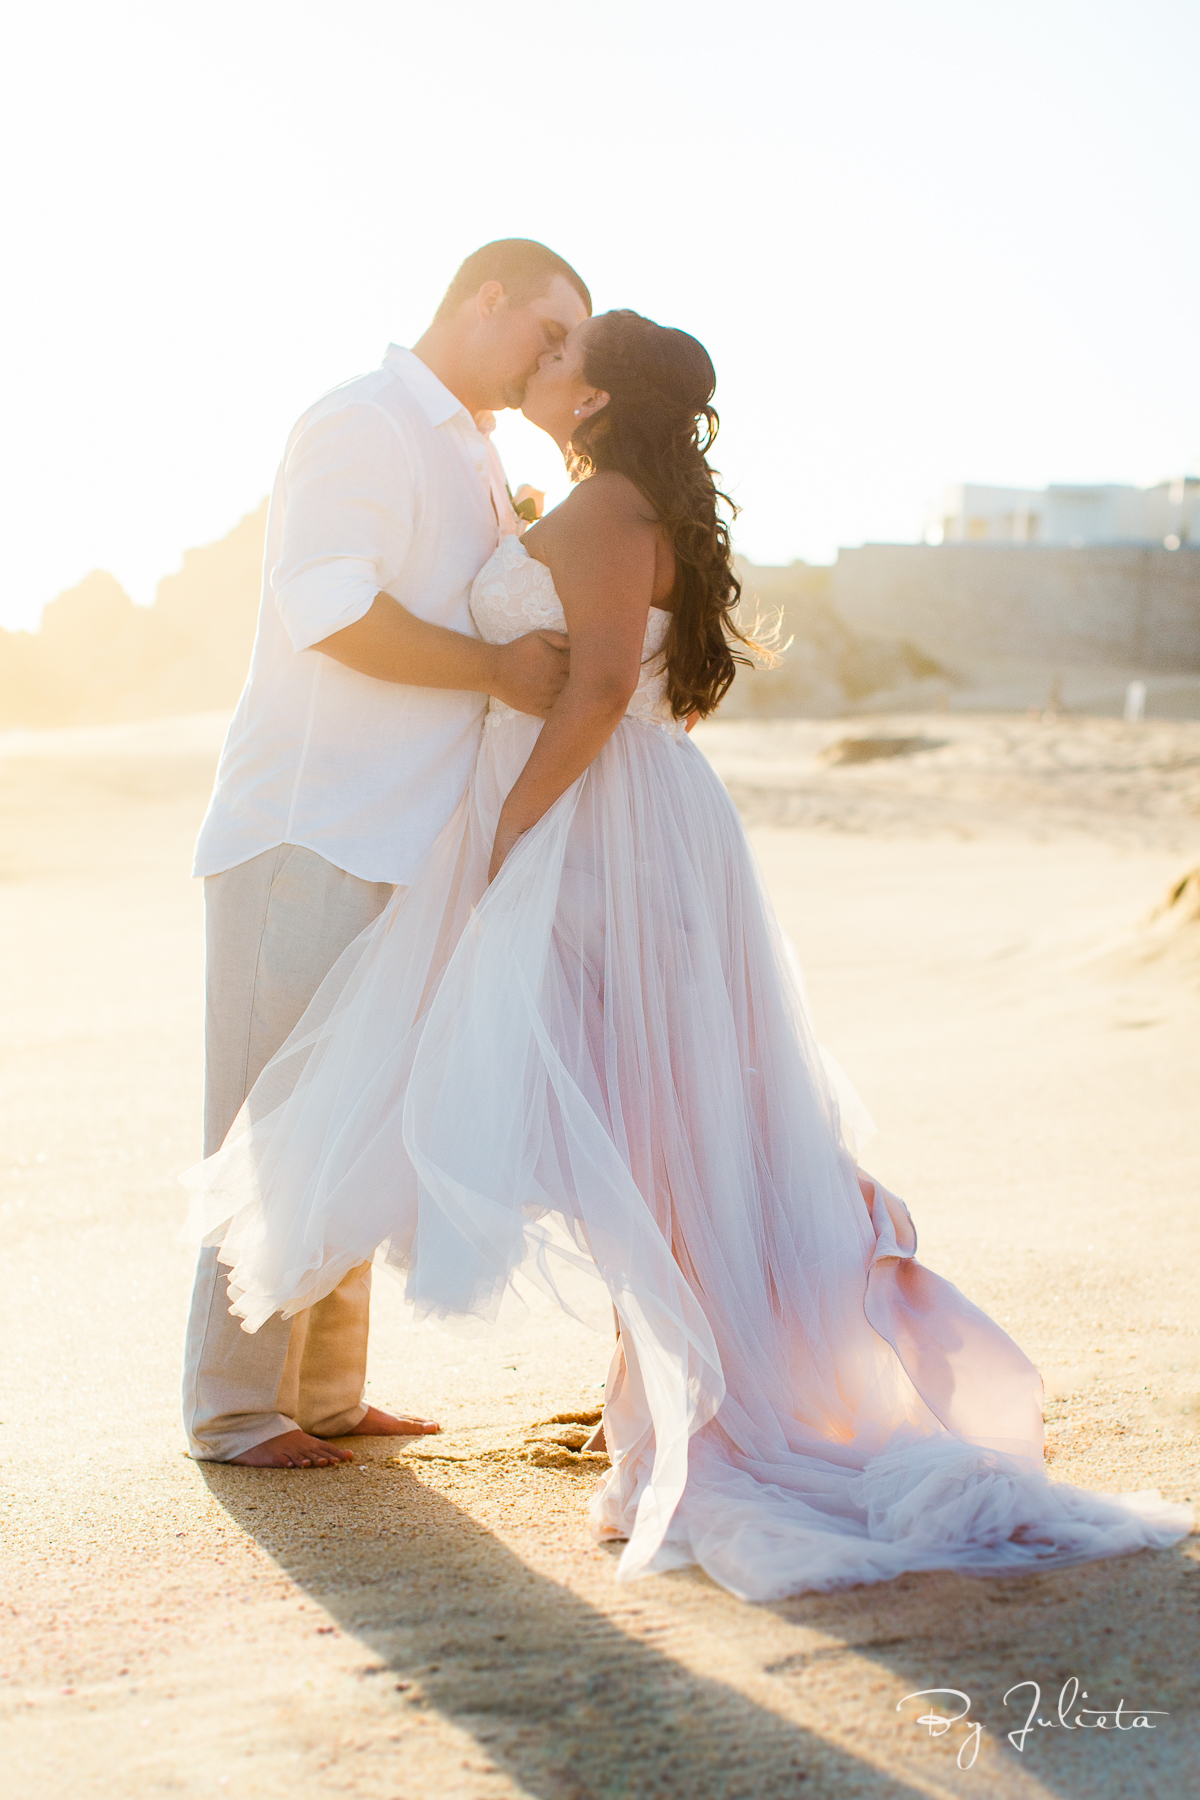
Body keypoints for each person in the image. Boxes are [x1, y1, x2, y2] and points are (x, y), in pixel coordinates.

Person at [185, 310, 1191, 1595]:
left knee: (634, 1117)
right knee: (634, 1117)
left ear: (596, 392)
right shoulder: (599, 499)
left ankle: (681, 1398)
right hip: (622, 824)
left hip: (600, 834)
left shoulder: (606, 511)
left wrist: (503, 836)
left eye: (562, 353)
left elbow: (601, 688)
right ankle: (653, 1382)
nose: (543, 364)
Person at [181, 239, 591, 1467]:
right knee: (266, 1121)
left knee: (353, 1114)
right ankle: (231, 1407)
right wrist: (500, 670)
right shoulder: (360, 421)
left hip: (408, 837)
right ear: (486, 299)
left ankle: (325, 1395)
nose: (558, 364)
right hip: (307, 824)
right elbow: (331, 609)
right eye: (551, 335)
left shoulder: (476, 452)